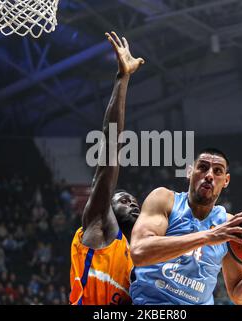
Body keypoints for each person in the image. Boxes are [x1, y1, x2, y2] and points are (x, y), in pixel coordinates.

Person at [130, 148, 242, 305]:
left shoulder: (229, 225)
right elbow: (139, 252)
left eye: (217, 171)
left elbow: (240, 297)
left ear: (226, 180)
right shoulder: (164, 199)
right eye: (203, 167)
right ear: (190, 172)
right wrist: (208, 236)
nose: (209, 175)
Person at [69, 31, 144, 305]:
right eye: (124, 200)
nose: (133, 203)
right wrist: (122, 78)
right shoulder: (100, 225)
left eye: (134, 200)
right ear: (107, 205)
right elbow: (110, 151)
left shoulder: (135, 255)